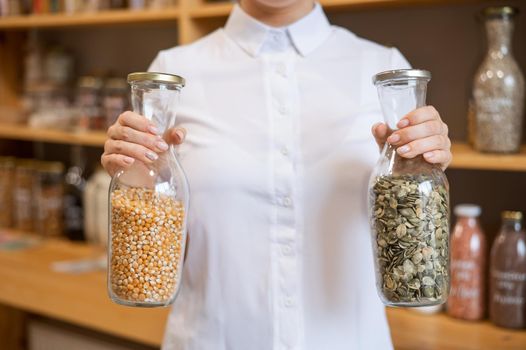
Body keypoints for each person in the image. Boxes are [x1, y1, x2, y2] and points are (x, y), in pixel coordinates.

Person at [102, 0, 452, 349]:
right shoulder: (173, 72)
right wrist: (136, 177)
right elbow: (163, 251)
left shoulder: (385, 69)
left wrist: (419, 176)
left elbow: (408, 235)